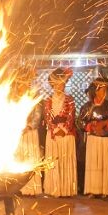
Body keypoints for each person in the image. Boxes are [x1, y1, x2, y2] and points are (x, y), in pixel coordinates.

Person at [79, 76, 108, 198]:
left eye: (106, 90)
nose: (104, 93)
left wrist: (105, 124)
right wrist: (91, 127)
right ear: (96, 91)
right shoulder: (88, 107)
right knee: (94, 164)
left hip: (107, 138)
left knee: (107, 163)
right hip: (93, 139)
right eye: (103, 90)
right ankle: (93, 189)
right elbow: (80, 121)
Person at [42, 68, 78, 197]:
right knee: (54, 162)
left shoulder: (70, 99)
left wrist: (64, 129)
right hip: (53, 135)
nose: (60, 86)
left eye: (63, 83)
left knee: (65, 161)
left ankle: (67, 189)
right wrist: (56, 130)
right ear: (53, 85)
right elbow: (47, 117)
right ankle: (54, 189)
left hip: (66, 134)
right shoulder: (48, 101)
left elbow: (71, 116)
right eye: (58, 83)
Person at [12, 69, 43, 196]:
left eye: (25, 82)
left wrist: (29, 126)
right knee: (18, 158)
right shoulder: (13, 98)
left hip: (30, 132)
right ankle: (16, 188)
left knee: (30, 157)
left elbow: (38, 115)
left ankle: (32, 188)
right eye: (20, 83)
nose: (22, 85)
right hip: (17, 133)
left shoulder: (34, 97)